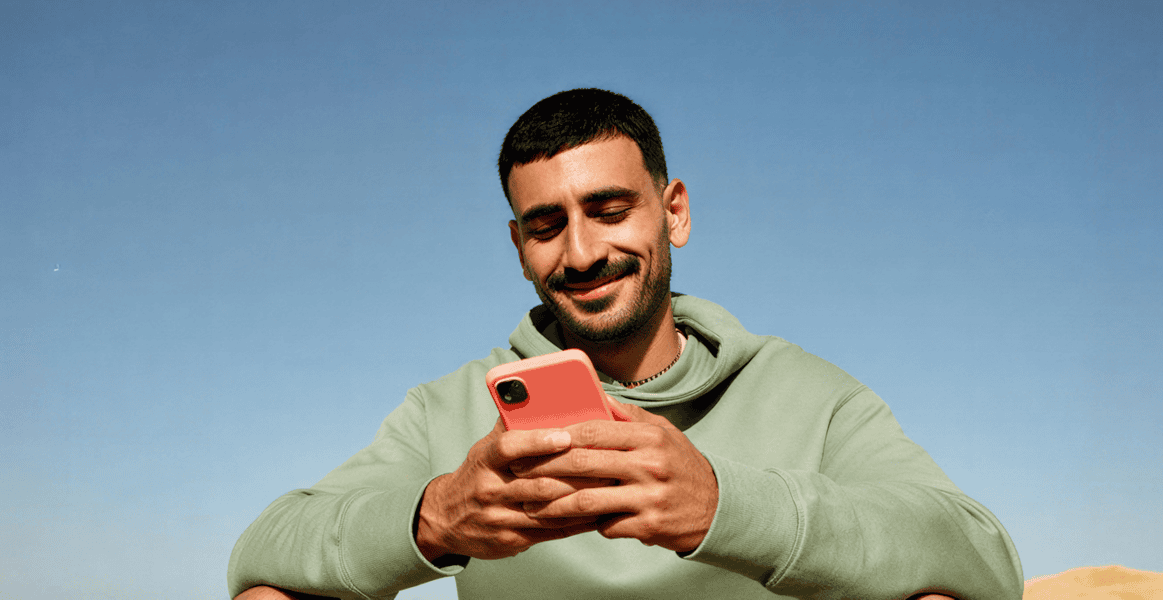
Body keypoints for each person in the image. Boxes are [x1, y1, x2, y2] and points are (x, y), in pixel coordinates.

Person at [228, 89, 1023, 600]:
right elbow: (263, 551)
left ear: (673, 212)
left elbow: (982, 555)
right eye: (546, 226)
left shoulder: (806, 392)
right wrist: (437, 516)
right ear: (519, 248)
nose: (580, 254)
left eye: (609, 211)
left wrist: (723, 504)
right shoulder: (452, 408)